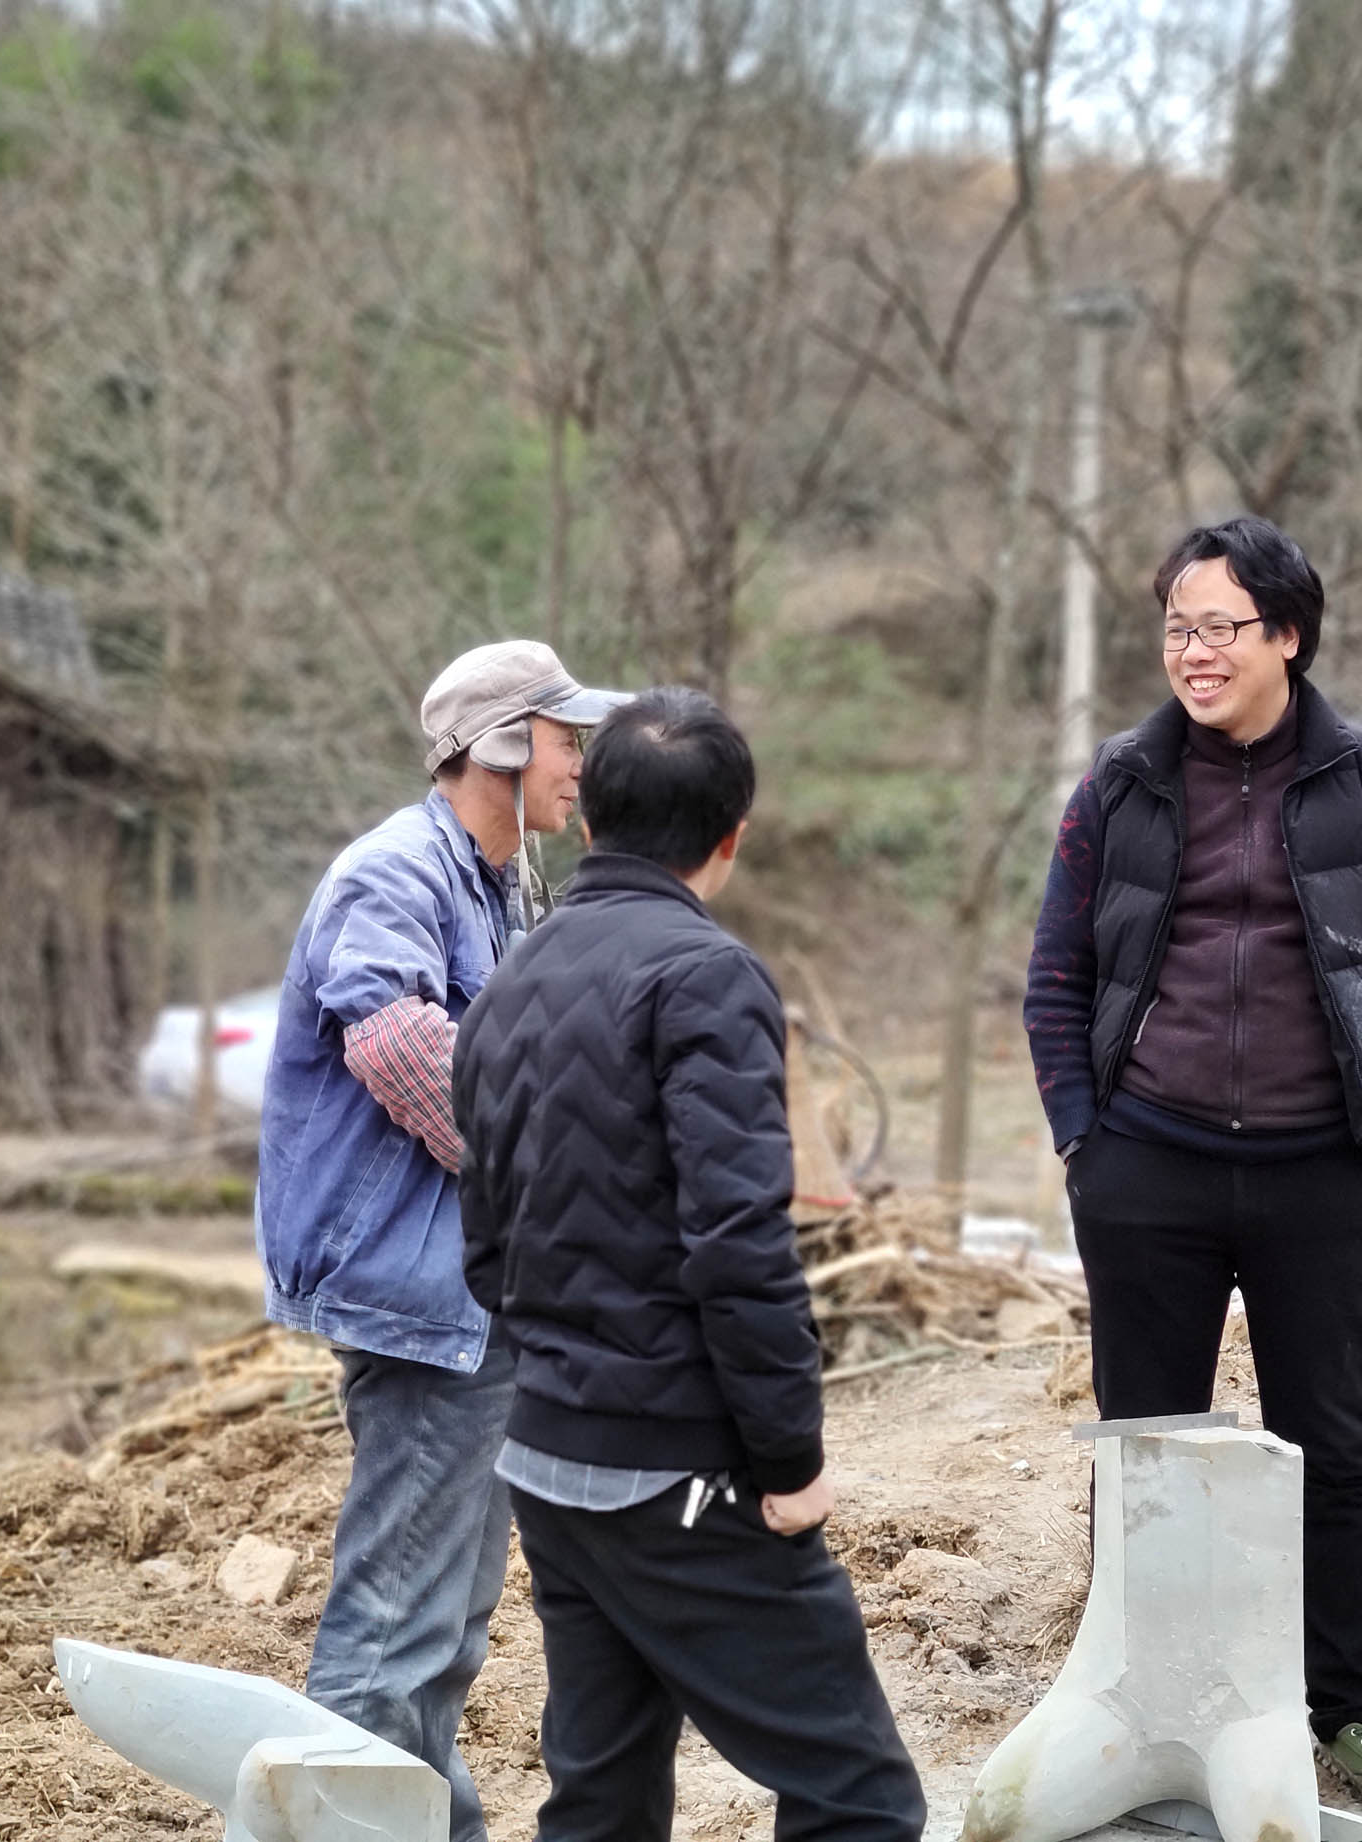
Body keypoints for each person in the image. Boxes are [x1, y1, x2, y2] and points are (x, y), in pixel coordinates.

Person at [1022, 516, 1362, 1818]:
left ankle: (1359, 1715)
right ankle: (1132, 1704)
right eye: (1177, 626)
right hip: (1144, 1168)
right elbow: (1057, 976)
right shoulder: (1120, 783)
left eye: (1220, 626)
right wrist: (1080, 1139)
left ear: (1287, 634)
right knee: (1143, 1449)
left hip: (1322, 1173)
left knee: (1330, 1446)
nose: (1193, 651)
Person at [454, 687, 926, 1842]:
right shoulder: (706, 977)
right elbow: (739, 1245)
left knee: (603, 1797)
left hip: (552, 1460)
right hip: (679, 1472)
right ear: (732, 838)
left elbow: (483, 1238)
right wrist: (789, 1458)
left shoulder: (510, 979)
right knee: (856, 1798)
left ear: (589, 818)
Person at [255, 639, 626, 1842]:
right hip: (419, 1296)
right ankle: (341, 1826)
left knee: (452, 1613)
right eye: (565, 741)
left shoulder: (500, 883)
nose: (582, 765)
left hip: (475, 1291)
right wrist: (557, 1168)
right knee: (394, 1623)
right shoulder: (395, 871)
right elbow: (397, 1045)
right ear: (500, 749)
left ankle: (429, 1823)